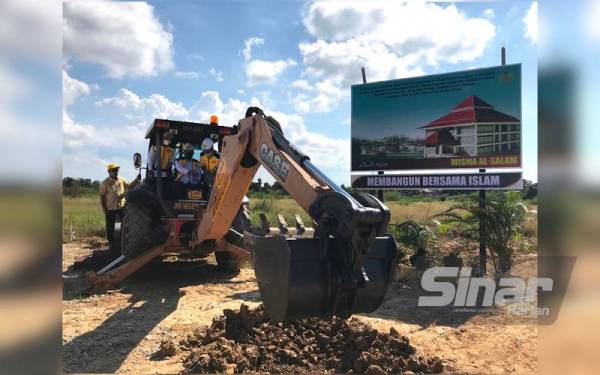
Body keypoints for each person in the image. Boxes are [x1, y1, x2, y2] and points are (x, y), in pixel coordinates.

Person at [99, 163, 140, 248]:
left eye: (117, 170)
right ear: (109, 172)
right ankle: (112, 243)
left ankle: (122, 241)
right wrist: (104, 209)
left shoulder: (121, 180)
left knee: (125, 224)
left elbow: (130, 186)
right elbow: (102, 197)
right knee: (110, 227)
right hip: (110, 208)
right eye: (114, 170)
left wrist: (136, 180)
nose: (116, 172)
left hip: (122, 207)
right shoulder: (105, 183)